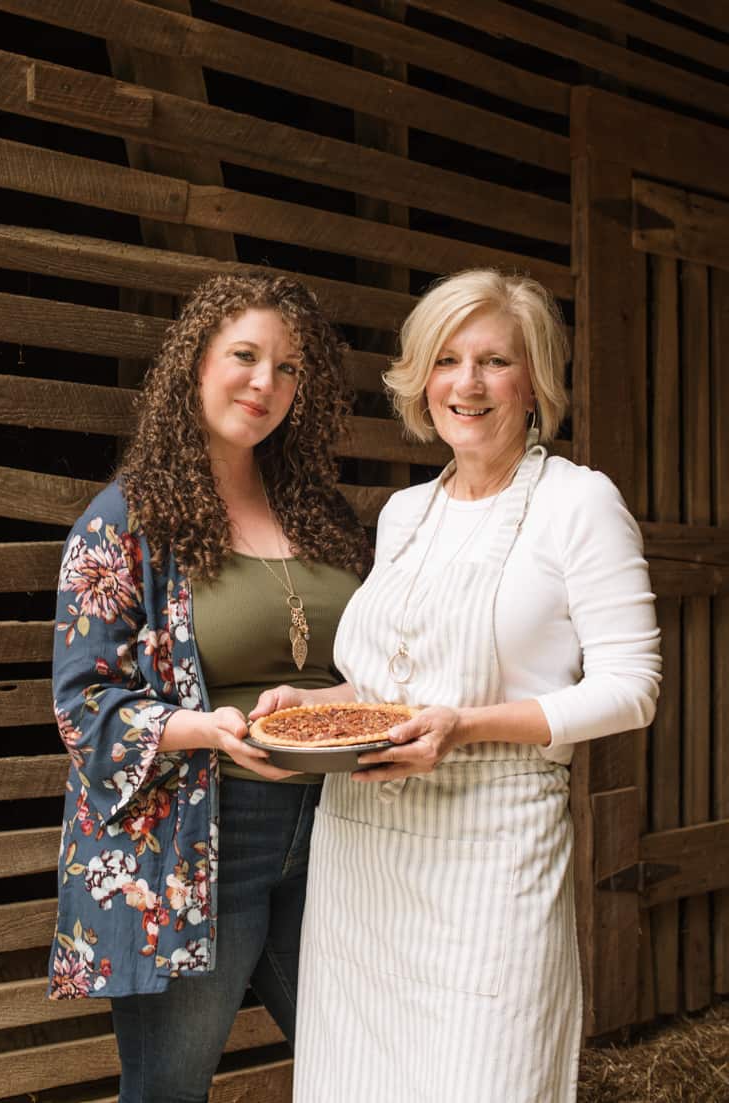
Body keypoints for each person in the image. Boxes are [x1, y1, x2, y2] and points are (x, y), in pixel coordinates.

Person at [254, 269, 662, 1102]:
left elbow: (632, 686)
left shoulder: (578, 504)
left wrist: (463, 727)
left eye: (494, 361)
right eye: (446, 359)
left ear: (535, 381)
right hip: (363, 852)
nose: (465, 383)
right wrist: (316, 707)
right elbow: (390, 689)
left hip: (492, 854)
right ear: (420, 379)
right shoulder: (406, 513)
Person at [46, 272, 371, 1103]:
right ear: (194, 362)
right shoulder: (124, 520)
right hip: (202, 838)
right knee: (168, 1090)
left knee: (367, 1068)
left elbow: (377, 658)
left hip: (342, 829)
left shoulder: (321, 514)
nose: (265, 383)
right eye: (245, 356)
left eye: (289, 368)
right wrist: (207, 728)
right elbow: (83, 707)